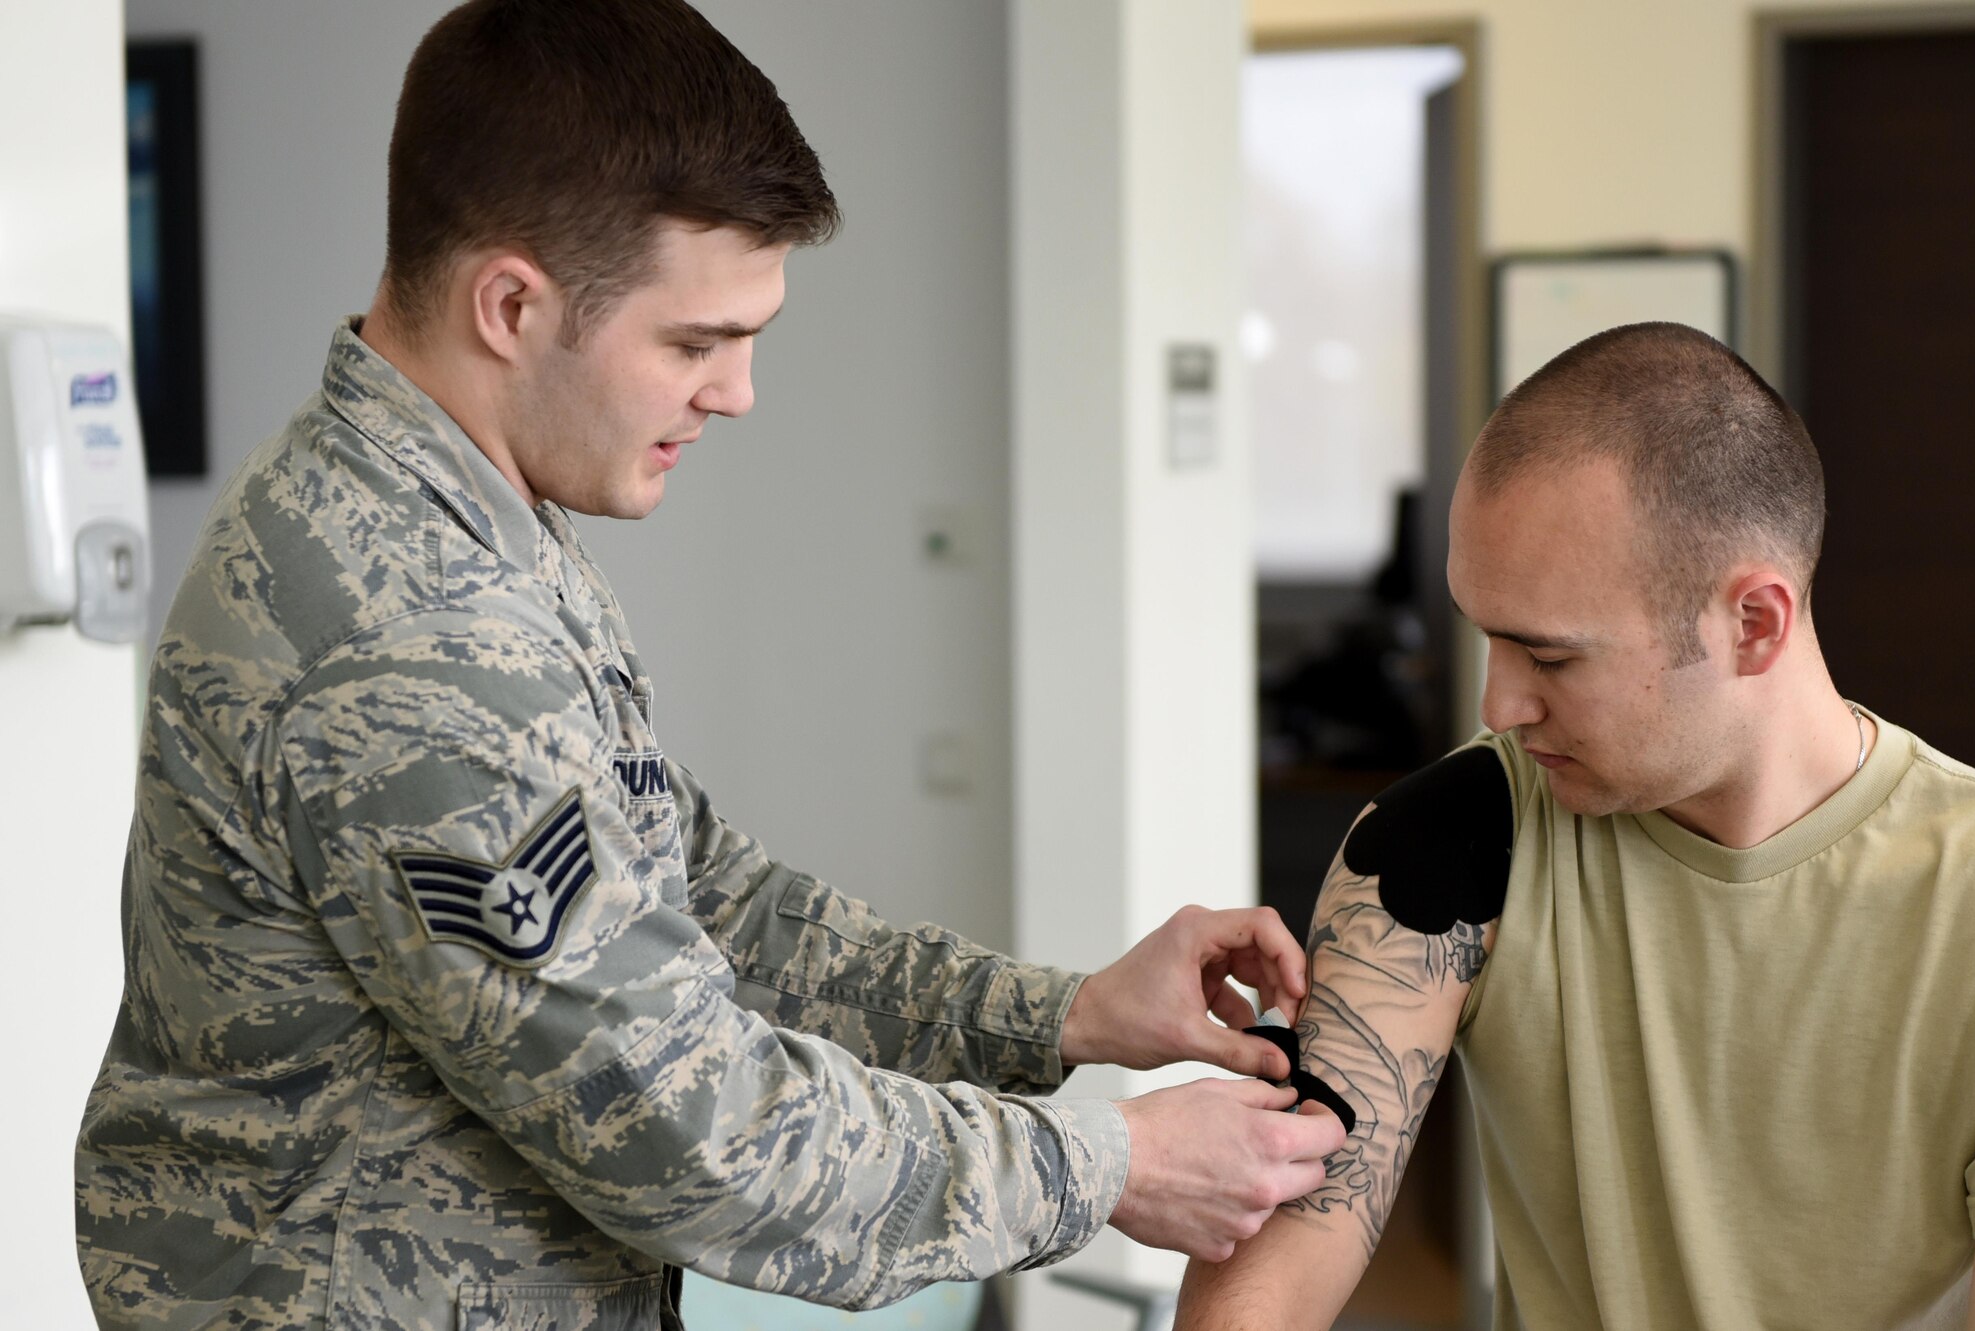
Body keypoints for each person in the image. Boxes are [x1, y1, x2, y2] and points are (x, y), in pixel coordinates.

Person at [72, 3, 1346, 1327]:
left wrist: (1061, 1012)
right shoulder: (410, 635)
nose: (735, 392)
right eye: (694, 343)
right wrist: (1116, 1162)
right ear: (512, 304)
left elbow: (703, 894)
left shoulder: (475, 526)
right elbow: (694, 1133)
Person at [1175, 322, 1975, 1329]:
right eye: (1485, 637)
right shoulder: (1446, 839)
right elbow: (1281, 1252)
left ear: (1752, 624)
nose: (1497, 706)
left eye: (1551, 658)